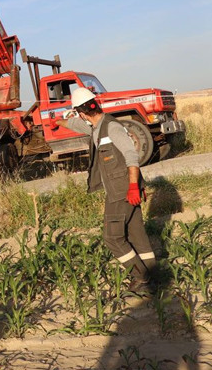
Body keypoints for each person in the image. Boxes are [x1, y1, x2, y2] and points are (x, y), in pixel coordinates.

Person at [54, 87, 156, 292]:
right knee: (136, 235)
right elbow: (75, 124)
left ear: (82, 113)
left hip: (122, 192)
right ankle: (154, 277)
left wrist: (134, 186)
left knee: (112, 238)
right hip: (124, 189)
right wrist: (58, 121)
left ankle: (142, 278)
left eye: (78, 113)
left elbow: (131, 156)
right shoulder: (96, 127)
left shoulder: (112, 127)